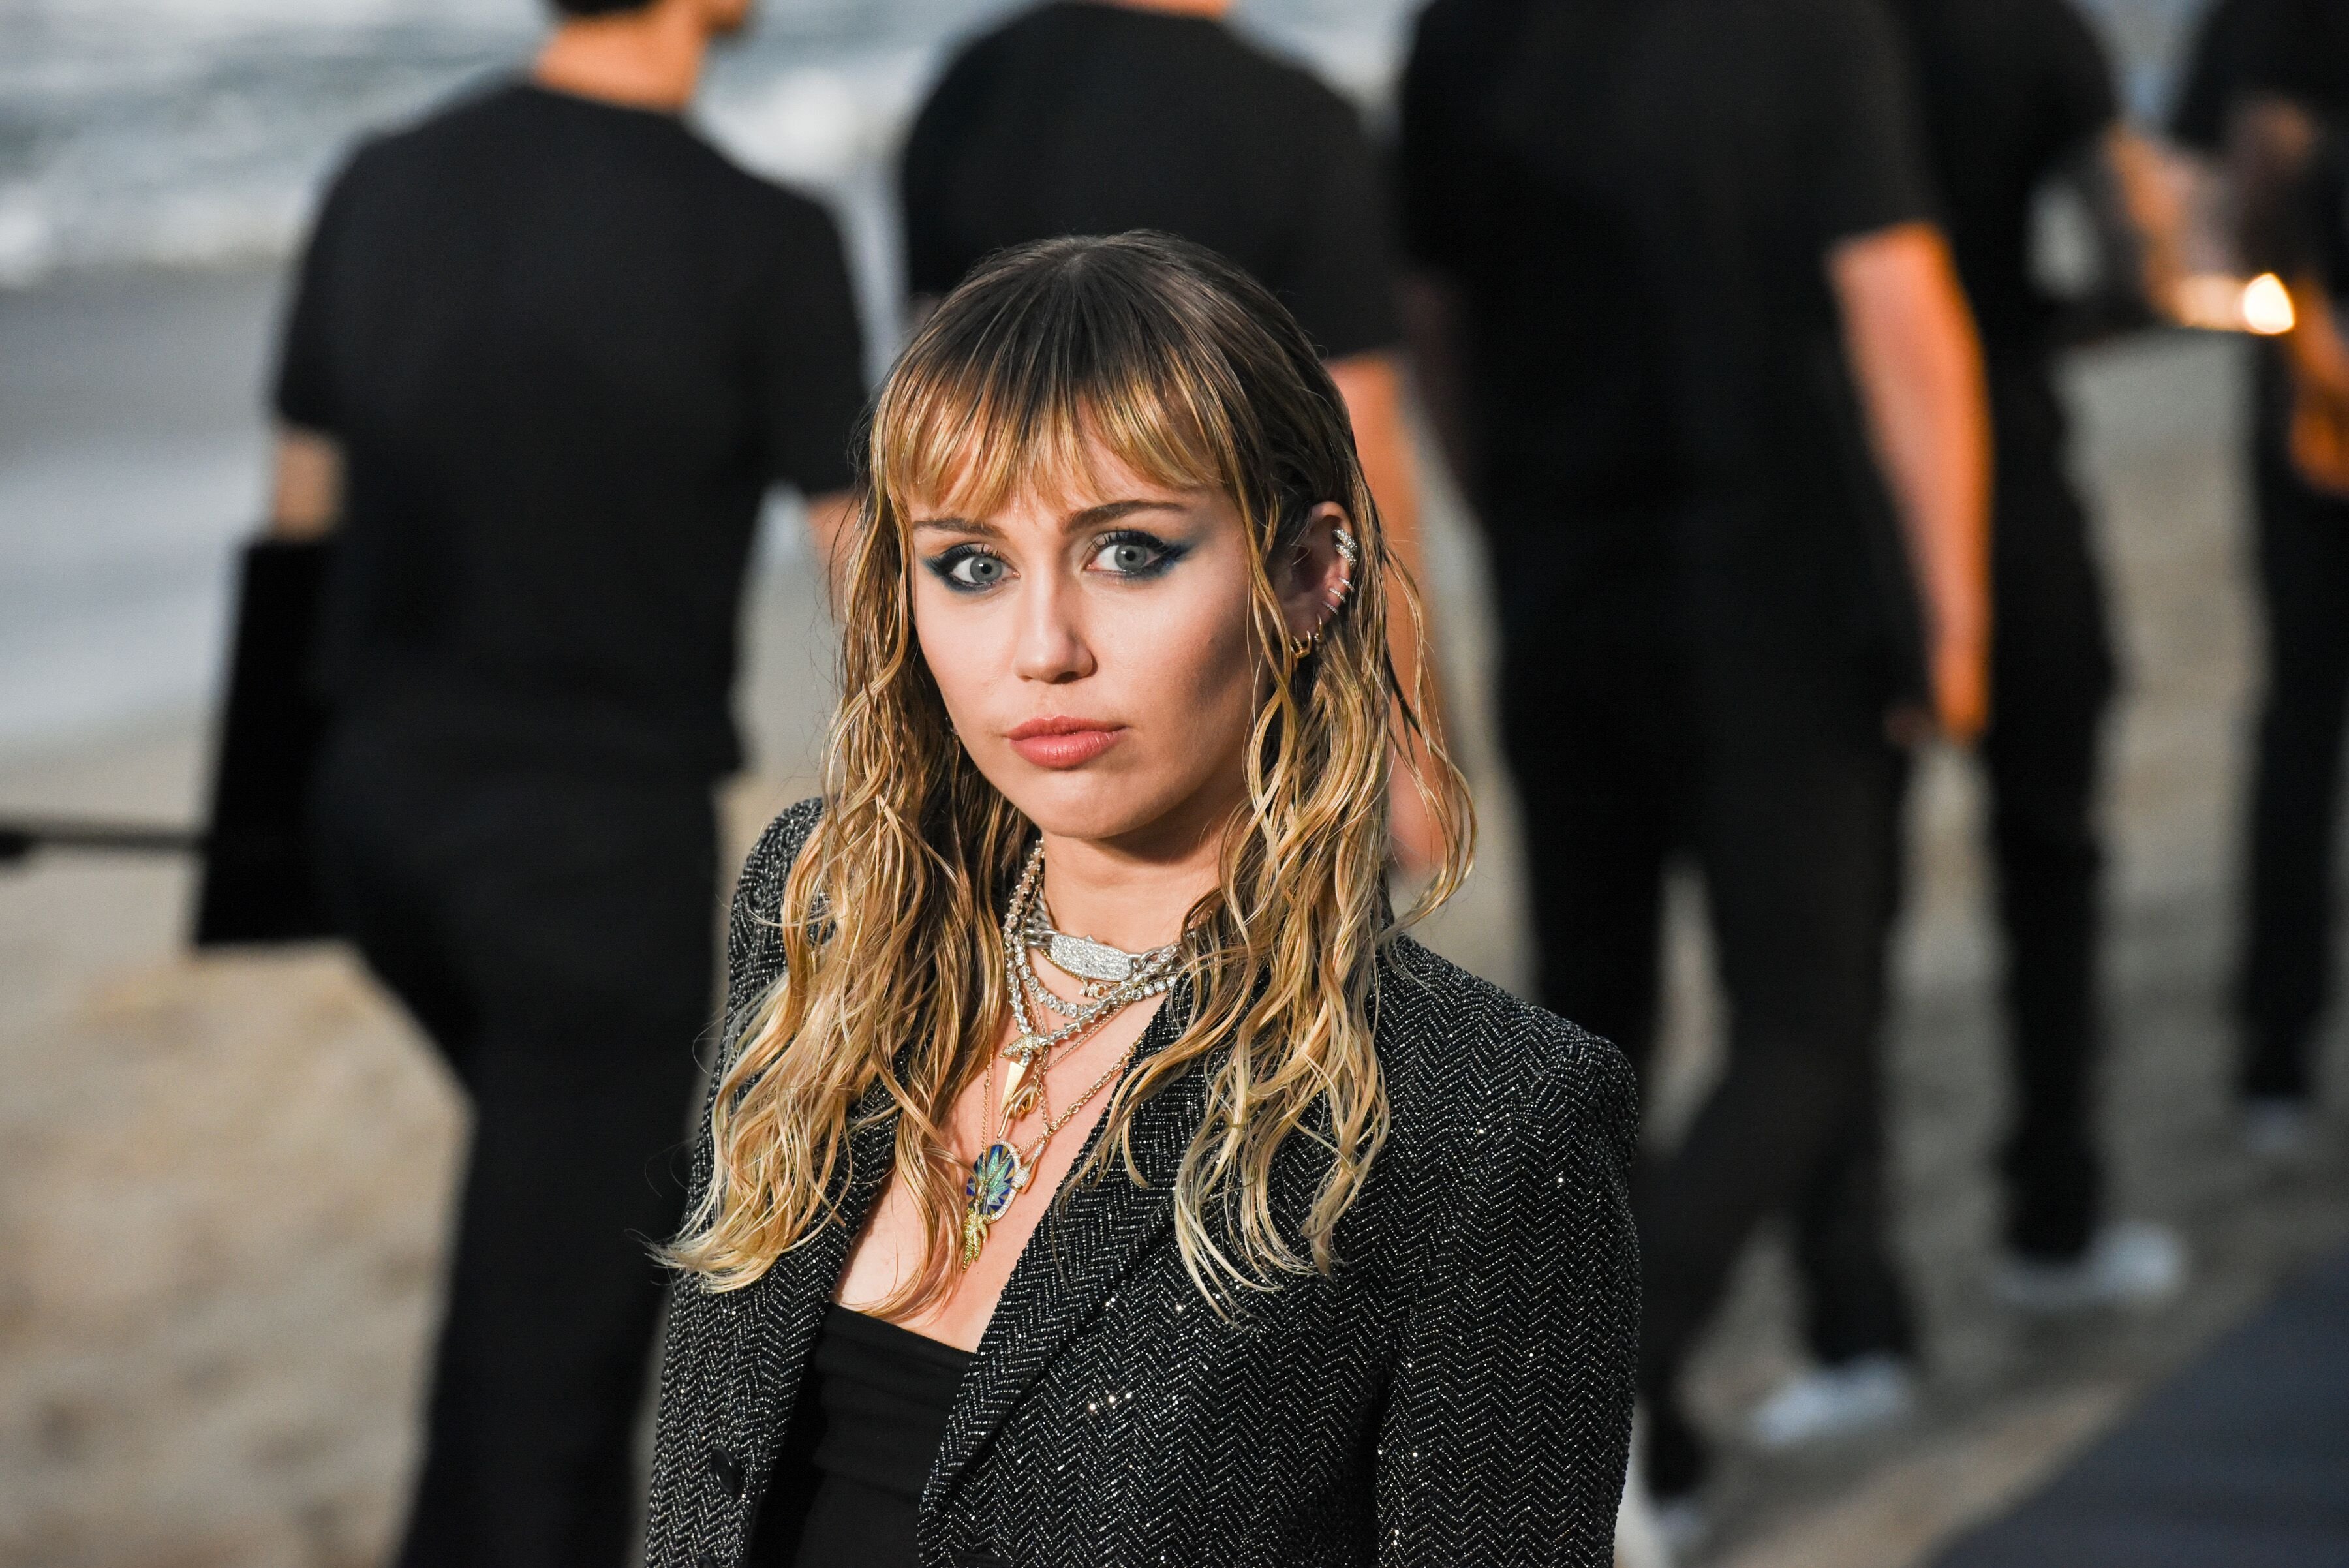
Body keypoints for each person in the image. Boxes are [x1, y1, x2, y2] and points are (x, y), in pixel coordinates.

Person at [638, 234, 1640, 1568]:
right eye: (972, 565)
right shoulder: (825, 919)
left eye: (1129, 551)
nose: (1042, 647)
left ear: (1305, 573)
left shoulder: (1481, 1122)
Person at [265, 0, 868, 1560]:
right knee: (552, 1368)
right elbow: (868, 583)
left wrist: (264, 840)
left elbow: (301, 505)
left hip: (375, 829)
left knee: (552, 1249)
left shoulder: (381, 177)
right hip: (590, 874)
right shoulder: (766, 235)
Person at [1396, 0, 1990, 1524]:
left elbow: (1436, 334)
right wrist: (1956, 606)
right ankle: (1594, 1399)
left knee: (1601, 1026)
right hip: (1772, 588)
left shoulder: (1461, 36)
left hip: (1563, 584)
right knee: (1806, 1020)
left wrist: (1514, 525)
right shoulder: (1808, 24)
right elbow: (1898, 308)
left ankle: (1773, 1365)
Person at [895, 0, 1447, 867]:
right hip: (1250, 704)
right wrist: (1411, 748)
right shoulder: (1293, 119)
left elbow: (935, 437)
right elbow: (1361, 453)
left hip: (1010, 723)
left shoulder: (967, 93)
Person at [1866, 0, 2192, 1322]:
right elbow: (2147, 248)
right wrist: (2066, 325)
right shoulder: (2034, 27)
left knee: (1845, 923)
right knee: (2052, 856)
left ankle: (1855, 1305)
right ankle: (2053, 1213)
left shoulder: (1798, 37)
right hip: (2009, 458)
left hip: (1847, 489)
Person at [2215, 0, 2349, 1154]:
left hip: (2309, 428)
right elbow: (2247, 184)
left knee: (2300, 733)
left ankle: (2276, 1057)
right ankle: (2275, 1050)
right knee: (2301, 732)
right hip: (2318, 436)